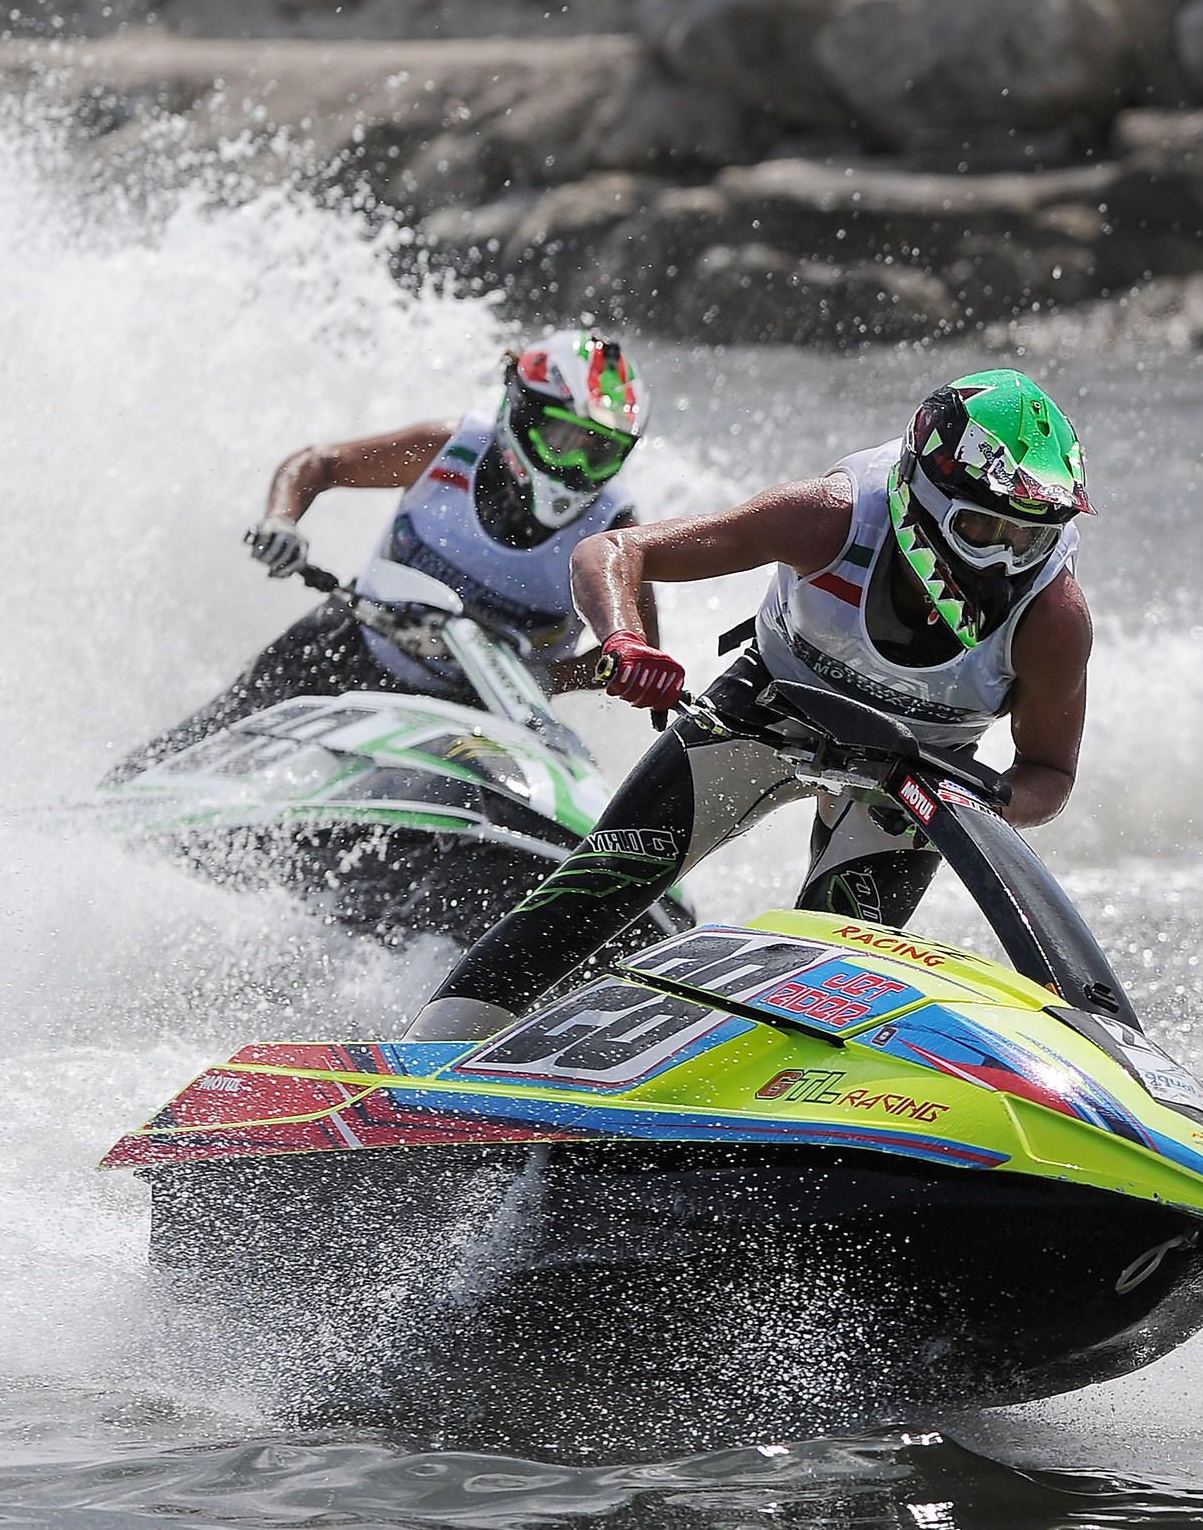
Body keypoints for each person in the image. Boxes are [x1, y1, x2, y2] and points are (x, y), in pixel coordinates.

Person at [406, 368, 1096, 1042]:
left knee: (830, 976)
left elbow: (1048, 775)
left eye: (1028, 539)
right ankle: (422, 1060)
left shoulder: (1054, 621)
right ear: (923, 493)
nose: (1006, 560)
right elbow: (611, 550)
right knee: (601, 883)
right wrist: (624, 639)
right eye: (985, 529)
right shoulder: (828, 517)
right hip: (767, 707)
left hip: (916, 772)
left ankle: (759, 1114)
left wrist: (976, 804)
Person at [109, 330, 658, 780]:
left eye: (601, 452)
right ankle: (111, 799)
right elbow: (317, 464)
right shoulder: (450, 448)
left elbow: (638, 655)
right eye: (565, 440)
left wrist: (545, 679)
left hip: (478, 714)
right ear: (522, 412)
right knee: (191, 753)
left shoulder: (613, 531)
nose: (578, 470)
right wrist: (282, 520)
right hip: (346, 649)